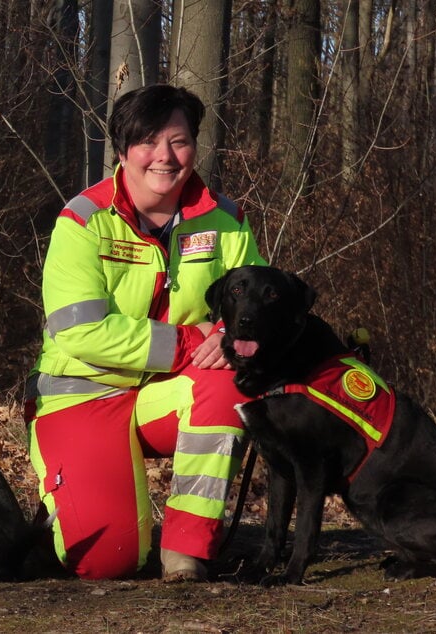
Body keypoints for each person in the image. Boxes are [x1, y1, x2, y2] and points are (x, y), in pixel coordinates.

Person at [24, 84, 266, 581]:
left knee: (229, 378)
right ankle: (66, 508)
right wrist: (191, 341)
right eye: (148, 141)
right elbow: (81, 331)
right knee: (107, 561)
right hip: (82, 394)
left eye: (178, 141)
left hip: (165, 394)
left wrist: (227, 335)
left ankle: (186, 549)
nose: (164, 156)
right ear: (122, 149)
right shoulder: (83, 220)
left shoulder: (226, 221)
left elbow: (258, 303)